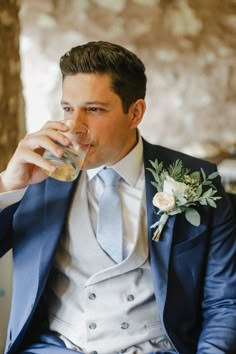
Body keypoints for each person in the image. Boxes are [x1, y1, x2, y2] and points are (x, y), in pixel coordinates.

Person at [0, 41, 235, 354]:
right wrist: (8, 184)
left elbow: (225, 302)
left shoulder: (196, 180)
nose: (74, 127)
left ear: (135, 112)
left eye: (94, 109)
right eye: (68, 108)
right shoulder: (40, 173)